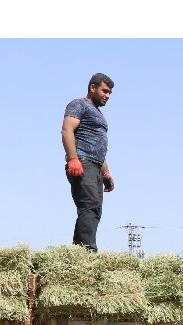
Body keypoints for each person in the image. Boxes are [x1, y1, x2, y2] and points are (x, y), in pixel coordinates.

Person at [61, 73, 115, 251]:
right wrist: (73, 158)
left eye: (110, 93)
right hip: (82, 163)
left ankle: (78, 252)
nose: (107, 95)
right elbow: (67, 130)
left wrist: (106, 172)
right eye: (104, 91)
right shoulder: (79, 104)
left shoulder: (98, 114)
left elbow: (98, 146)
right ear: (93, 88)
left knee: (94, 210)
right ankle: (87, 251)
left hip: (95, 166)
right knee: (89, 206)